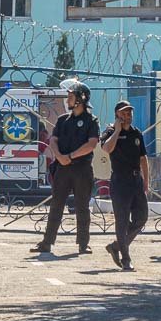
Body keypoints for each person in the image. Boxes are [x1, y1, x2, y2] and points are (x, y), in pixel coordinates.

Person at [30, 78, 100, 255]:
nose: (67, 100)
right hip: (63, 168)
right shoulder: (62, 120)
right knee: (56, 205)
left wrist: (70, 156)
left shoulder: (91, 121)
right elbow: (53, 140)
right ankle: (47, 242)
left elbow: (91, 144)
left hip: (82, 169)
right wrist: (60, 157)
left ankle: (83, 244)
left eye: (70, 97)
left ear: (80, 99)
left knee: (82, 207)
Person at [100, 100, 149, 271]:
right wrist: (117, 131)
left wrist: (146, 181)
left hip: (136, 181)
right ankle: (126, 259)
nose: (128, 115)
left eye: (129, 112)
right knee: (122, 221)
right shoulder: (109, 132)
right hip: (120, 181)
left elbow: (143, 158)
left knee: (142, 217)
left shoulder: (136, 133)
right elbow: (106, 149)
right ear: (117, 115)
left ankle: (116, 246)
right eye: (124, 113)